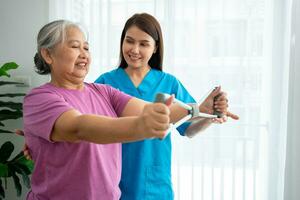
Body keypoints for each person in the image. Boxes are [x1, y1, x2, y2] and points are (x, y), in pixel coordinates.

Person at [23, 19, 209, 200]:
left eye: (86, 48)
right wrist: (143, 125)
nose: (84, 54)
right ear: (48, 55)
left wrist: (199, 109)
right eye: (74, 46)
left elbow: (148, 110)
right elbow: (79, 128)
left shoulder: (104, 92)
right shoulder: (39, 98)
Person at [95, 13, 239, 200]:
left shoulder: (169, 83)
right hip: (112, 182)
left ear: (155, 48)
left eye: (144, 44)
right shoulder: (105, 83)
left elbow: (189, 130)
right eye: (129, 41)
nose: (135, 49)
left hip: (154, 184)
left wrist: (209, 116)